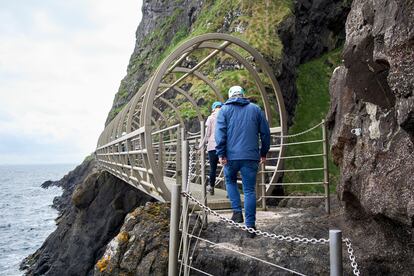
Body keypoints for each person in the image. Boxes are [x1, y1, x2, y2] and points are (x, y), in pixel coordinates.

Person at [215, 86, 270, 238]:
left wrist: (221, 153)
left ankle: (237, 213)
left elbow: (220, 134)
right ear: (243, 95)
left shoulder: (224, 110)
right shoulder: (255, 109)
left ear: (230, 96)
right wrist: (263, 152)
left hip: (231, 157)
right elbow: (265, 133)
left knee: (230, 181)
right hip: (251, 156)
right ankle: (250, 227)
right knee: (249, 190)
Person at [198, 101, 223, 195]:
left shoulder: (211, 117)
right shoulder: (226, 116)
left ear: (213, 108)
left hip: (212, 146)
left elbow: (207, 134)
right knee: (227, 168)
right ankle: (229, 191)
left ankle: (211, 187)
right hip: (223, 145)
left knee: (213, 168)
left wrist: (201, 146)